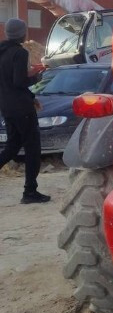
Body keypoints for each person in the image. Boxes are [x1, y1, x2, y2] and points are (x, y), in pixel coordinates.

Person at [0, 18, 50, 203]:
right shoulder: (19, 53)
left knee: (12, 146)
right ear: (21, 33)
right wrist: (38, 77)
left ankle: (30, 191)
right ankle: (30, 192)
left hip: (7, 106)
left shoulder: (2, 52)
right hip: (22, 108)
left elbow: (10, 83)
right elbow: (19, 82)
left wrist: (31, 97)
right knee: (32, 149)